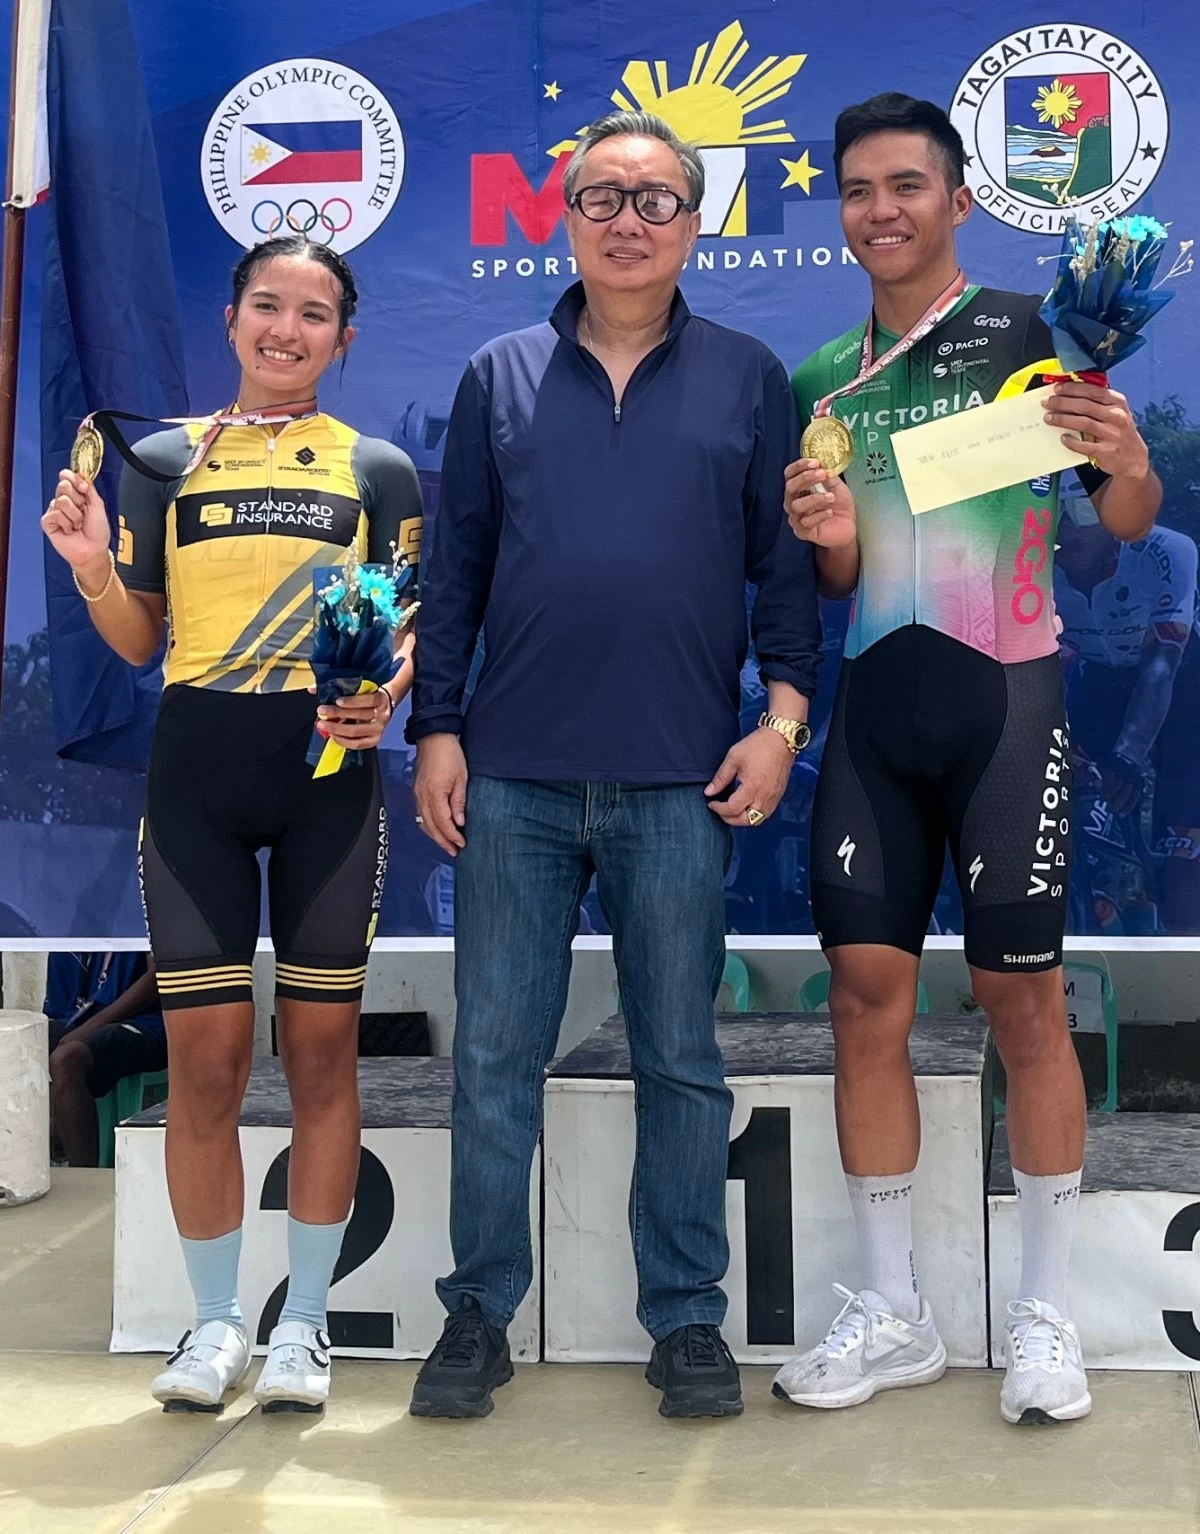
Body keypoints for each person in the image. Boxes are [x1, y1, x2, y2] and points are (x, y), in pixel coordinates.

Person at [407, 109, 820, 1420]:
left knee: (682, 1058)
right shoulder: (497, 373)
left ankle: (688, 1321)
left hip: (681, 780)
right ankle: (477, 1309)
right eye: (602, 197)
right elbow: (455, 571)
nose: (628, 220)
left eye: (655, 200)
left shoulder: (754, 377)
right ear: (565, 215)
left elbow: (785, 577)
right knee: (493, 1059)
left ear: (697, 224)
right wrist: (439, 728)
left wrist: (783, 723)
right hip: (515, 779)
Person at [775, 93, 1161, 1426]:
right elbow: (836, 576)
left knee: (1025, 1006)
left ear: (959, 200)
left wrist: (1123, 455)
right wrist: (825, 525)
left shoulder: (1030, 330)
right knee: (861, 1000)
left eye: (907, 185)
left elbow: (1123, 513)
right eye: (858, 189)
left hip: (1010, 704)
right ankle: (895, 1312)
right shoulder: (824, 370)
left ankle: (1047, 1317)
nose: (881, 209)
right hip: (877, 714)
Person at [41, 235, 422, 1415]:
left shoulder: (380, 467)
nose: (287, 329)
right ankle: (213, 1326)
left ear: (343, 340)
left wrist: (385, 693)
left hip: (325, 782)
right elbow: (142, 640)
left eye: (315, 315)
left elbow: (402, 630)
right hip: (196, 776)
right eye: (270, 305)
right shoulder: (161, 458)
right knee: (204, 1066)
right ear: (232, 318)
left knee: (319, 1056)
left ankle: (303, 1326)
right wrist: (91, 572)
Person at [1054, 490, 1199, 932]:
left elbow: (1162, 667)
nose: (1070, 529)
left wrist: (1130, 754)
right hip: (1099, 679)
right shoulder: (1032, 556)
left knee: (1183, 817)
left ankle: (1185, 956)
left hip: (1181, 681)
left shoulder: (1165, 550)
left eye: (1083, 511)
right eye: (1057, 513)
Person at [46, 951, 166, 1167]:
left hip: (145, 1022)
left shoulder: (147, 918)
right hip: (79, 1017)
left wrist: (89, 1028)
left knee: (67, 1058)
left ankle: (84, 1183)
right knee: (18, 1039)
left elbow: (158, 976)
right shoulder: (71, 922)